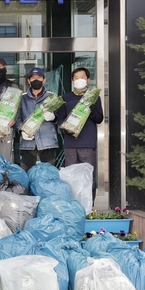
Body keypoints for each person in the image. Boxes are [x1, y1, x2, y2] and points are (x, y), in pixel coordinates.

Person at [57, 67, 104, 201]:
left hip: (87, 143)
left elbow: (99, 118)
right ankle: (73, 205)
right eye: (76, 78)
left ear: (88, 80)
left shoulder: (93, 97)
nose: (79, 80)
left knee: (88, 176)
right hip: (70, 144)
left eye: (82, 77)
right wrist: (64, 128)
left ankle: (89, 206)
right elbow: (61, 117)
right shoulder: (65, 98)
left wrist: (93, 111)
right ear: (72, 81)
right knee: (70, 177)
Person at [15, 67, 59, 171]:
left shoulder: (52, 97)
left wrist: (53, 118)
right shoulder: (22, 98)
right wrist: (21, 130)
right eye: (33, 78)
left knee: (48, 175)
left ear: (44, 80)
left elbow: (60, 118)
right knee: (26, 175)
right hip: (27, 144)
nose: (36, 80)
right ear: (28, 80)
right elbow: (17, 118)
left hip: (48, 142)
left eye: (39, 77)